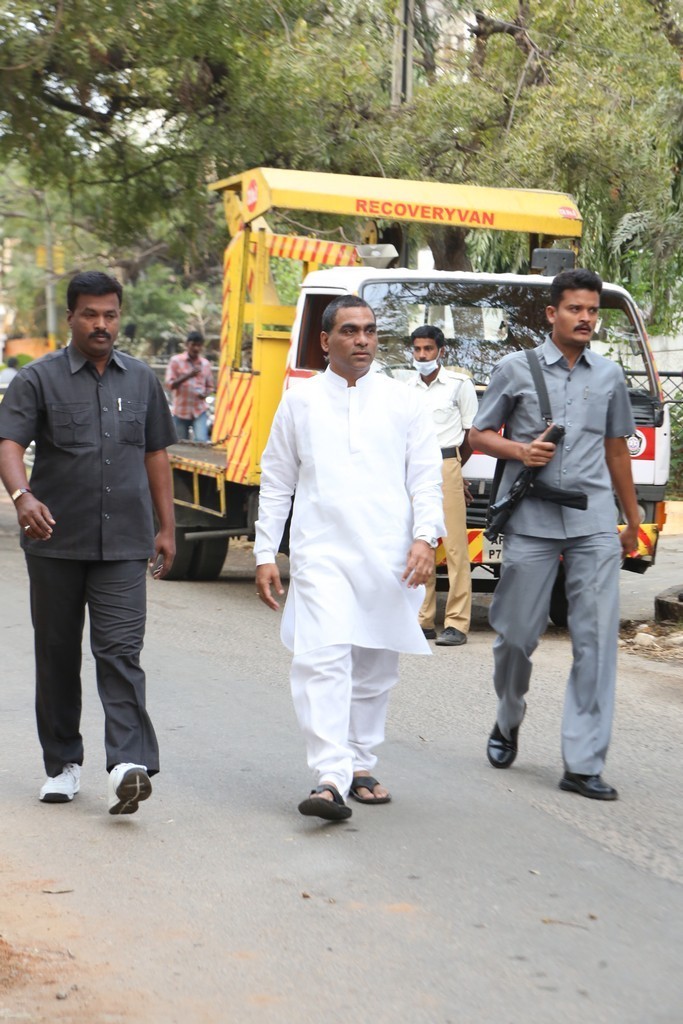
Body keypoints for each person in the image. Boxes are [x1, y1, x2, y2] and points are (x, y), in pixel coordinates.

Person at [254, 296, 444, 821]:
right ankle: (331, 776)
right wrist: (266, 551)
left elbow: (425, 477)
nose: (362, 340)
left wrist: (426, 538)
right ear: (325, 340)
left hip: (389, 551)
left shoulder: (405, 400)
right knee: (321, 658)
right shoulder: (301, 399)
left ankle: (361, 763)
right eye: (350, 331)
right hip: (321, 552)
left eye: (370, 331)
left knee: (375, 665)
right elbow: (277, 481)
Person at [0, 270, 177, 815]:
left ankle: (127, 764)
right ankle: (62, 764)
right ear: (72, 317)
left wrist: (167, 527)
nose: (102, 325)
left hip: (124, 541)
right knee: (56, 654)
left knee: (121, 652)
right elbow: (8, 443)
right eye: (91, 315)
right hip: (55, 541)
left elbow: (155, 455)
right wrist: (21, 496)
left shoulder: (141, 379)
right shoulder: (38, 378)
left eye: (110, 314)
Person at [469, 268, 640, 801]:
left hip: (592, 522)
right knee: (517, 637)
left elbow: (616, 450)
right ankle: (508, 715)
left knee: (595, 642)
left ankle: (583, 762)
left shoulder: (609, 376)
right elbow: (476, 434)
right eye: (575, 309)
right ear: (552, 314)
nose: (586, 318)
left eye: (592, 310)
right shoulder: (513, 369)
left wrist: (631, 520)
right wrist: (519, 451)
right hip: (533, 523)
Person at [410, 325, 478, 647]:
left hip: (447, 463)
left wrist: (454, 469)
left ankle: (456, 623)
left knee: (454, 546)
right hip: (413, 469)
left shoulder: (458, 386)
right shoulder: (406, 389)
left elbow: (471, 436)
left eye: (428, 349)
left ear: (441, 351)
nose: (422, 355)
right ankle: (422, 620)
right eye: (417, 349)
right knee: (421, 540)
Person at [165, 330, 214, 441]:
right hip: (180, 411)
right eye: (193, 345)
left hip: (199, 410)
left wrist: (205, 394)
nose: (196, 348)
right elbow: (169, 384)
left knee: (201, 442)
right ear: (187, 344)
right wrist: (188, 376)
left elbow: (210, 387)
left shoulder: (205, 364)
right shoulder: (175, 361)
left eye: (199, 345)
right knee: (181, 445)